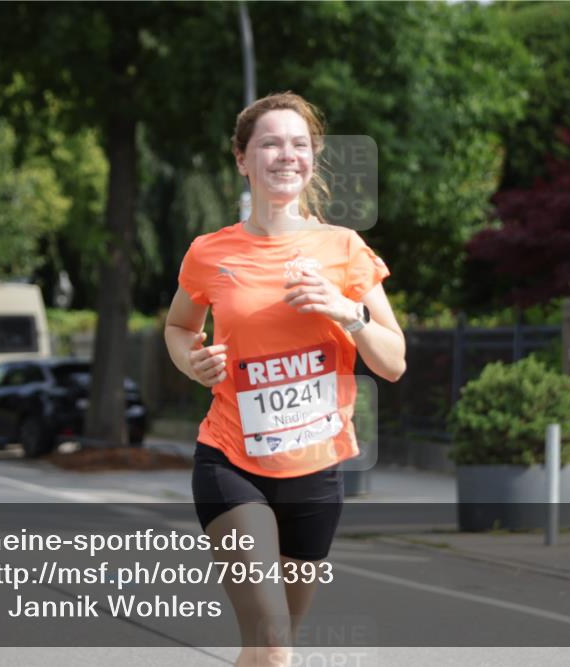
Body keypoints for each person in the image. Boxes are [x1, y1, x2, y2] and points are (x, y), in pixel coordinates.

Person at [164, 91, 406, 667]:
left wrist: (345, 311)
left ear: (313, 158)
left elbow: (393, 362)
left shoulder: (343, 249)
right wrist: (191, 361)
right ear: (242, 159)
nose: (286, 154)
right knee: (274, 646)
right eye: (270, 143)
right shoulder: (209, 253)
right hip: (230, 462)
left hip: (315, 473)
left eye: (299, 144)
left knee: (267, 650)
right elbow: (178, 327)